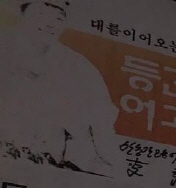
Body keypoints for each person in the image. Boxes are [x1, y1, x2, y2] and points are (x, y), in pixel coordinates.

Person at [0, 0, 118, 175]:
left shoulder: (78, 65)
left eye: (58, 18)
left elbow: (102, 118)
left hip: (50, 161)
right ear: (22, 14)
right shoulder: (4, 46)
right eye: (41, 14)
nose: (50, 23)